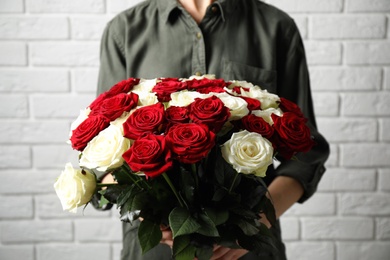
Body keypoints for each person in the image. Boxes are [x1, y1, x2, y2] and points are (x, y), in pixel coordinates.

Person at [95, 0, 330, 259]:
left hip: (248, 251)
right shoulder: (124, 30)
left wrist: (255, 224)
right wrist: (147, 213)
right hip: (155, 252)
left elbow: (306, 154)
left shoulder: (276, 27)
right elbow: (103, 152)